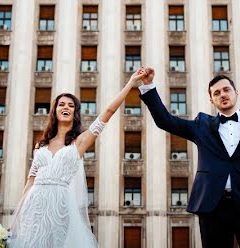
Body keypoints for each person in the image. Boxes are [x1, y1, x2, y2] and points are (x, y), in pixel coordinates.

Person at [138, 68, 240, 248]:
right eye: (217, 93)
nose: (222, 95)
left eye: (226, 90)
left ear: (236, 93)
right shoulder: (202, 125)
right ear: (211, 100)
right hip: (213, 208)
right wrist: (148, 85)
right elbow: (165, 120)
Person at [9, 69, 147, 247]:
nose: (65, 107)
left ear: (75, 113)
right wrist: (14, 225)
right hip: (33, 206)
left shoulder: (79, 142)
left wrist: (131, 83)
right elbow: (29, 186)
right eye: (61, 104)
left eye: (70, 105)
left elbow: (108, 111)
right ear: (55, 111)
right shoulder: (40, 145)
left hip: (59, 206)